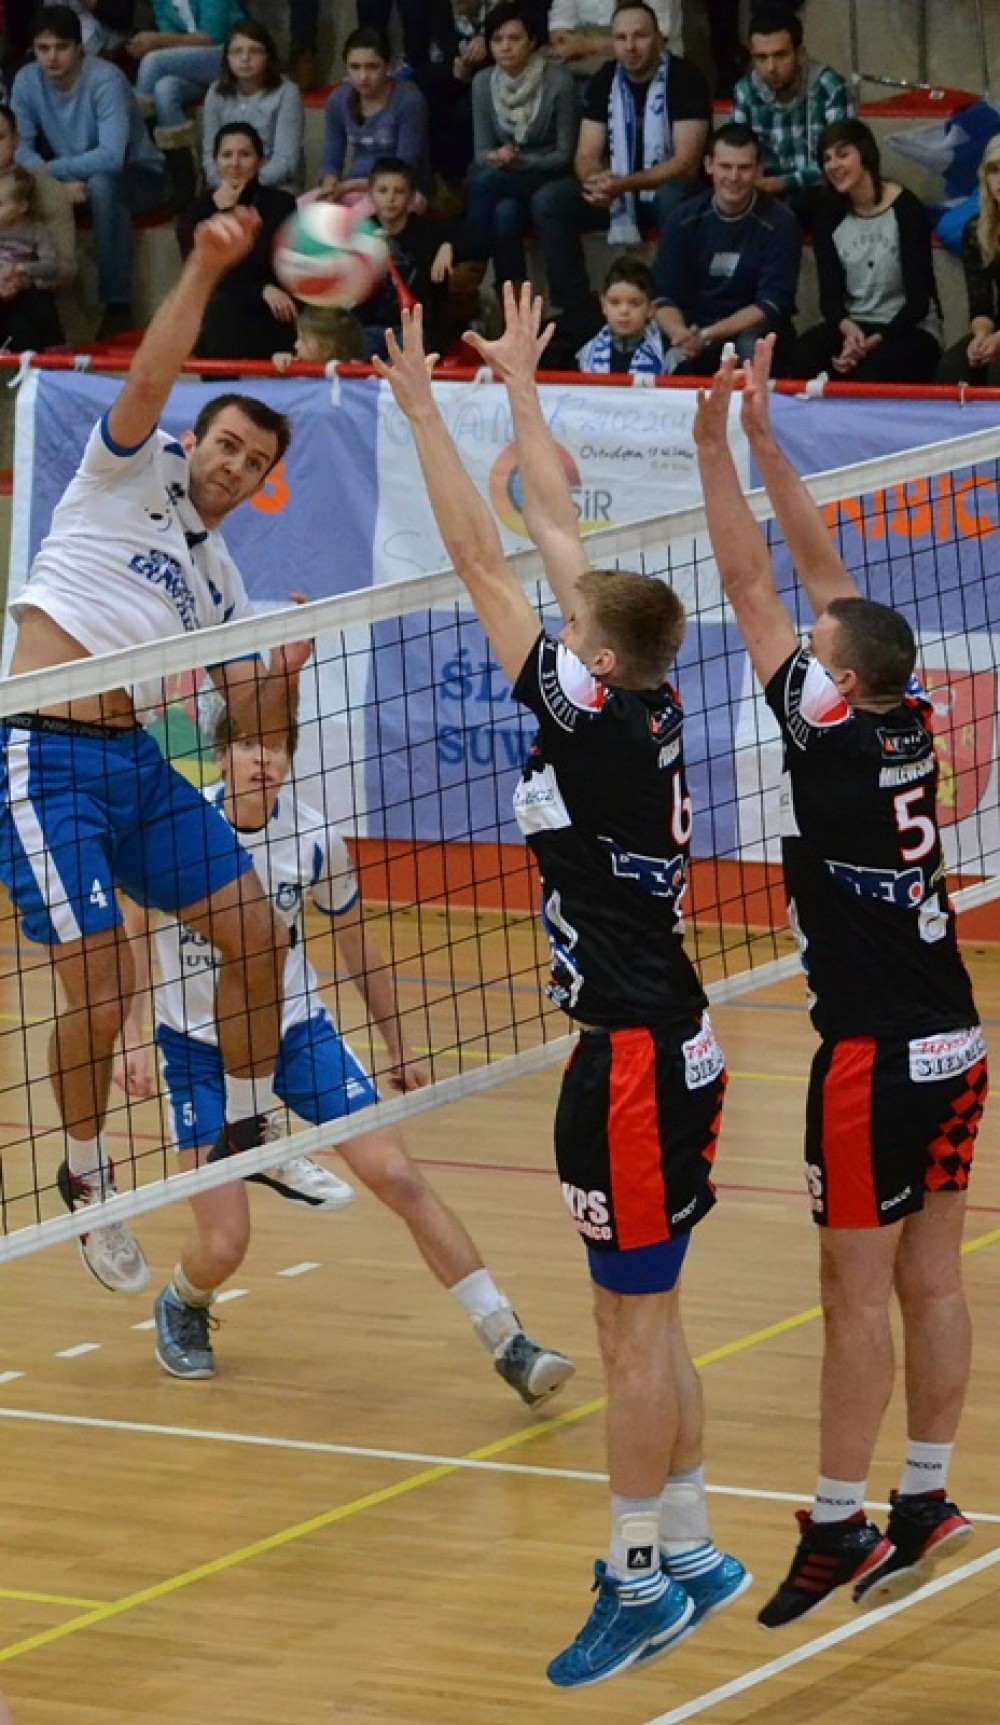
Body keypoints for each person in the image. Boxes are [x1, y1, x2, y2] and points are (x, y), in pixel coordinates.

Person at [376, 286, 750, 1688]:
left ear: (590, 660)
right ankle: (692, 1547)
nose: (561, 594)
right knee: (648, 1315)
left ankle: (637, 1576)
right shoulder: (640, 691)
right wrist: (524, 388)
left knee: (627, 1327)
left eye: (571, 616)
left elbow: (484, 551)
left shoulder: (587, 715)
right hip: (666, 1041)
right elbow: (551, 528)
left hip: (639, 1057)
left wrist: (425, 410)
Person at [694, 336, 986, 1627]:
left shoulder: (825, 733)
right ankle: (924, 1495)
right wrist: (770, 439)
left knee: (853, 1294)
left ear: (839, 683)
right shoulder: (905, 715)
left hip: (873, 1056)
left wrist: (712, 447)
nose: (805, 648)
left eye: (817, 652)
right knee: (934, 1278)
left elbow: (749, 579)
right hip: (958, 1040)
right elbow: (825, 580)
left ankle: (833, 1524)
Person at [0, 206, 310, 1300]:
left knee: (257, 931)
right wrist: (208, 265)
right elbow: (151, 373)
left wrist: (286, 673)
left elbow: (248, 716)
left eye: (256, 461)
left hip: (132, 760)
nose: (237, 465)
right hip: (39, 755)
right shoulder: (125, 471)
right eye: (227, 445)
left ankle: (245, 1128)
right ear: (194, 442)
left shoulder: (221, 581)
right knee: (103, 983)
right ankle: (86, 1176)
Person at [115, 705, 577, 1408]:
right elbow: (130, 940)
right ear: (221, 754)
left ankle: (508, 1338)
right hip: (198, 1051)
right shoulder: (175, 833)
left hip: (297, 1034)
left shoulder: (313, 839)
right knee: (226, 1242)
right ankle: (184, 1300)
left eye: (276, 745)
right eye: (249, 743)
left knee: (399, 1176)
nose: (263, 759)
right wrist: (128, 1039)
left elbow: (356, 944)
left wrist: (397, 1042)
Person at [530, 1, 710, 338]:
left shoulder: (686, 78)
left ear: (659, 38)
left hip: (669, 190)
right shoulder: (604, 80)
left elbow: (685, 163)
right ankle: (575, 310)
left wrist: (623, 184)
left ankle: (670, 304)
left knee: (672, 198)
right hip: (618, 194)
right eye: (621, 38)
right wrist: (596, 181)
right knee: (550, 200)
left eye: (640, 36)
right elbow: (585, 155)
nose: (630, 46)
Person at [12, 6, 165, 338]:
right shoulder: (26, 80)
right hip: (73, 178)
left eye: (61, 47)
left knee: (102, 185)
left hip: (139, 175)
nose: (52, 57)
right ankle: (37, 303)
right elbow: (18, 150)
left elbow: (111, 157)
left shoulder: (106, 78)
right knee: (14, 187)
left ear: (79, 47)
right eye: (43, 48)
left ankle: (117, 305)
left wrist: (49, 174)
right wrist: (54, 183)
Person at [796, 119, 942, 385]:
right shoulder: (827, 214)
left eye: (843, 155)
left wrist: (872, 343)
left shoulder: (907, 209)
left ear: (865, 154)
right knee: (800, 357)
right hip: (854, 324)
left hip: (908, 326)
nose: (834, 165)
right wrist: (849, 330)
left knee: (870, 372)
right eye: (827, 159)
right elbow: (830, 299)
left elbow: (918, 303)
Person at [653, 122, 801, 376]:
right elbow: (664, 296)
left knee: (751, 345)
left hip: (749, 330)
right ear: (708, 165)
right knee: (653, 343)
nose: (733, 177)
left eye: (744, 168)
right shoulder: (682, 219)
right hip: (693, 328)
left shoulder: (781, 223)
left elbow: (771, 304)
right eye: (725, 166)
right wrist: (680, 335)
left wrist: (707, 335)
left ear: (758, 171)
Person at [463, 2, 577, 292]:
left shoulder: (559, 81)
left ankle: (471, 258)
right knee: (505, 213)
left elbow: (565, 156)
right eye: (497, 40)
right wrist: (497, 156)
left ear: (532, 41)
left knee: (485, 182)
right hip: (506, 177)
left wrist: (521, 162)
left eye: (514, 38)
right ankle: (513, 303)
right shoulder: (482, 82)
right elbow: (481, 153)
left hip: (550, 175)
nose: (505, 47)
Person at [176, 121, 296, 360]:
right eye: (227, 155)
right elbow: (204, 275)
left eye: (245, 155)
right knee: (219, 305)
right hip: (221, 308)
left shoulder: (281, 205)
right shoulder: (198, 211)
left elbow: (282, 267)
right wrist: (259, 289)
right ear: (216, 162)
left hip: (271, 309)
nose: (235, 164)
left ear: (260, 162)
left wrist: (264, 290)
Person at [731, 4, 853, 225]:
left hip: (818, 190)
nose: (770, 67)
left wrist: (781, 183)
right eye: (761, 58)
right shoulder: (745, 91)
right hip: (764, 193)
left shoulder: (829, 86)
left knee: (820, 199)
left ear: (800, 54)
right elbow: (735, 153)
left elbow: (841, 162)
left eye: (780, 55)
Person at [319, 27, 431, 204]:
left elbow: (405, 167)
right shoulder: (338, 99)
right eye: (355, 67)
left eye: (372, 67)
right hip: (354, 187)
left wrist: (349, 187)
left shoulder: (409, 100)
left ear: (388, 66)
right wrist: (330, 180)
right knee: (304, 210)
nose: (363, 77)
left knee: (357, 218)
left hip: (401, 191)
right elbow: (332, 155)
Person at [354, 156, 451, 359]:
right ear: (370, 195)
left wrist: (448, 247)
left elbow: (469, 238)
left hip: (414, 330)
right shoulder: (360, 232)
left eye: (399, 191)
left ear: (411, 198)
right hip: (369, 328)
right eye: (383, 191)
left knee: (402, 360)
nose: (390, 198)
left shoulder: (428, 232)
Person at [202, 21, 304, 196]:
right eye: (237, 52)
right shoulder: (215, 92)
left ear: (268, 56)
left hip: (274, 187)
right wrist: (223, 184)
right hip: (224, 186)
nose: (245, 59)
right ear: (226, 58)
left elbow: (286, 161)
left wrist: (246, 186)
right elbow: (210, 155)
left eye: (254, 51)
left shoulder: (287, 92)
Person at [937, 134, 1000, 386]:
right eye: (994, 170)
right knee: (951, 368)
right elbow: (981, 304)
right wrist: (981, 336)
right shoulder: (976, 230)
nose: (999, 180)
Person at [0, 101, 76, 289]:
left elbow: (67, 268)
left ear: (16, 140)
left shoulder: (48, 191)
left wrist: (23, 279)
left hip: (30, 291)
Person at [0, 163, 65, 348]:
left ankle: (56, 355)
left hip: (25, 290)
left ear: (21, 206)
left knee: (40, 304)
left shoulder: (36, 231)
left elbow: (51, 266)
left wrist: (21, 269)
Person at [547, 0, 682, 86]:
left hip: (644, 67)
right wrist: (568, 44)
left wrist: (588, 46)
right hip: (579, 65)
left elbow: (656, 39)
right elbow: (559, 26)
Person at [575, 252, 668, 373]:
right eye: (614, 302)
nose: (623, 311)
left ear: (651, 309)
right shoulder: (584, 357)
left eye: (634, 303)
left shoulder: (668, 357)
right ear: (603, 305)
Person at [272, 302, 368, 370]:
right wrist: (279, 367)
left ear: (327, 348)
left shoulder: (359, 376)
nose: (296, 345)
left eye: (304, 340)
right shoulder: (294, 369)